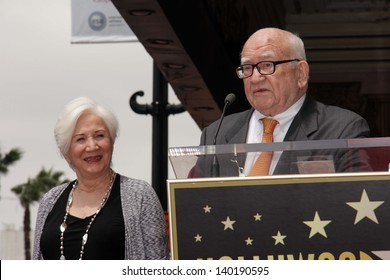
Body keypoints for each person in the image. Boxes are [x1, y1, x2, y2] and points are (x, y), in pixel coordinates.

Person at [192, 27, 371, 177]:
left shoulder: (342, 130)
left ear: (300, 73)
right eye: (247, 68)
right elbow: (193, 204)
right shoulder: (216, 134)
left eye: (267, 65)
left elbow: (356, 205)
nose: (255, 78)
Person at [33, 97, 169, 260]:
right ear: (66, 152)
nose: (92, 146)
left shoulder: (140, 196)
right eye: (80, 139)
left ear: (111, 141)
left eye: (99, 136)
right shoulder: (50, 201)